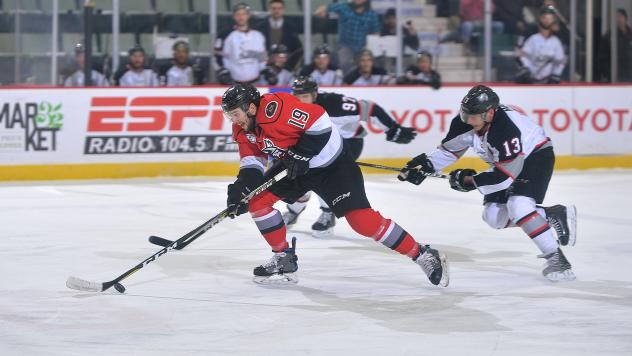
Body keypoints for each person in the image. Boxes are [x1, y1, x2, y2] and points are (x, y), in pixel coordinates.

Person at [221, 83, 447, 287]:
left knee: (363, 222)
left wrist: (302, 153)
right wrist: (243, 189)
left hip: (332, 167)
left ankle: (423, 254)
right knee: (257, 203)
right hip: (295, 167)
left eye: (235, 114)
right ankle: (283, 258)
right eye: (229, 115)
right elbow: (253, 162)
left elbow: (319, 120)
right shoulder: (242, 129)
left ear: (251, 107)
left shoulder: (275, 108)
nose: (234, 120)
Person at [398, 85, 576, 281]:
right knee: (494, 217)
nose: (467, 120)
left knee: (519, 206)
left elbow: (504, 176)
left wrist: (469, 181)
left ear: (490, 113)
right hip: (506, 163)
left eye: (472, 115)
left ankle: (557, 259)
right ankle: (550, 214)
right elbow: (450, 151)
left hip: (535, 155)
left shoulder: (505, 130)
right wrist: (426, 165)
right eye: (465, 113)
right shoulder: (466, 121)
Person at [281, 76, 416, 236]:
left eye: (305, 97)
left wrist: (393, 129)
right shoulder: (292, 108)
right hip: (320, 143)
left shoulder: (333, 104)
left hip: (349, 142)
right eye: (297, 97)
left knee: (324, 177)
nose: (301, 101)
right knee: (301, 174)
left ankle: (328, 213)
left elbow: (370, 109)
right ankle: (294, 211)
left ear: (315, 94)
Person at [315, 0, 380, 73]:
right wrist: (321, 13)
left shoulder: (371, 13)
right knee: (343, 63)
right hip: (346, 45)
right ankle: (346, 82)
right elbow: (321, 9)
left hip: (363, 46)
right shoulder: (343, 6)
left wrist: (371, 46)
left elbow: (376, 32)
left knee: (369, 65)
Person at [215, 3, 267, 84]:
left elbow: (262, 58)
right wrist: (222, 70)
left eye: (244, 14)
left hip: (256, 82)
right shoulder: (225, 35)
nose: (241, 17)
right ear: (234, 16)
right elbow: (217, 56)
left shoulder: (258, 35)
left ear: (248, 15)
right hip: (234, 82)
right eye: (238, 14)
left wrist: (265, 69)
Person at [515, 6, 566, 84]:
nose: (547, 21)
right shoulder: (531, 36)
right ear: (539, 18)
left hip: (548, 80)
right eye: (544, 17)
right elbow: (520, 53)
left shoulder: (556, 40)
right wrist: (525, 69)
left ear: (553, 20)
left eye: (550, 18)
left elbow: (560, 61)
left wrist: (556, 74)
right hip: (530, 79)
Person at [255, 0, 303, 70]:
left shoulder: (291, 27)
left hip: (285, 67)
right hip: (264, 66)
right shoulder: (260, 27)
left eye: (279, 8)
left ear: (283, 10)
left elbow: (298, 49)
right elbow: (255, 48)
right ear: (269, 9)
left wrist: (290, 64)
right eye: (274, 8)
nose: (277, 11)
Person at [597, 8, 632, 82]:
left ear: (626, 18)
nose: (619, 19)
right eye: (617, 17)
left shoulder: (630, 34)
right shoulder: (609, 36)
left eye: (620, 16)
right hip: (616, 77)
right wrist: (609, 74)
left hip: (629, 76)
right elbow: (602, 58)